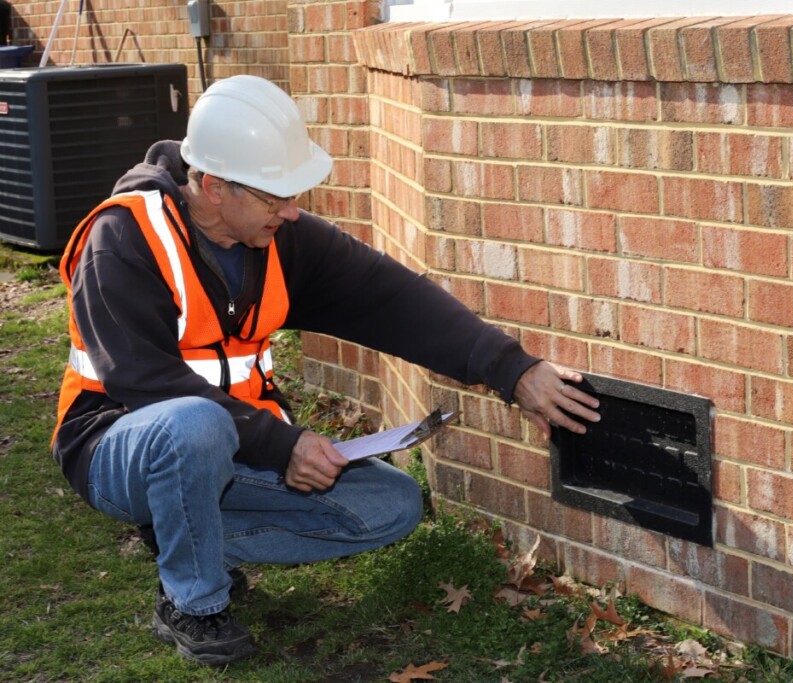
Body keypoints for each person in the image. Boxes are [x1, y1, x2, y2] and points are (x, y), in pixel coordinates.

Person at [51, 75, 600, 666]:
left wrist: (512, 371)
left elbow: (389, 297)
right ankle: (193, 602)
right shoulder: (123, 238)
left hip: (236, 450)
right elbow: (145, 382)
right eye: (273, 197)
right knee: (192, 425)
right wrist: (282, 444)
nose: (291, 212)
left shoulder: (278, 238)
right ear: (212, 186)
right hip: (115, 444)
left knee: (393, 505)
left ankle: (189, 538)